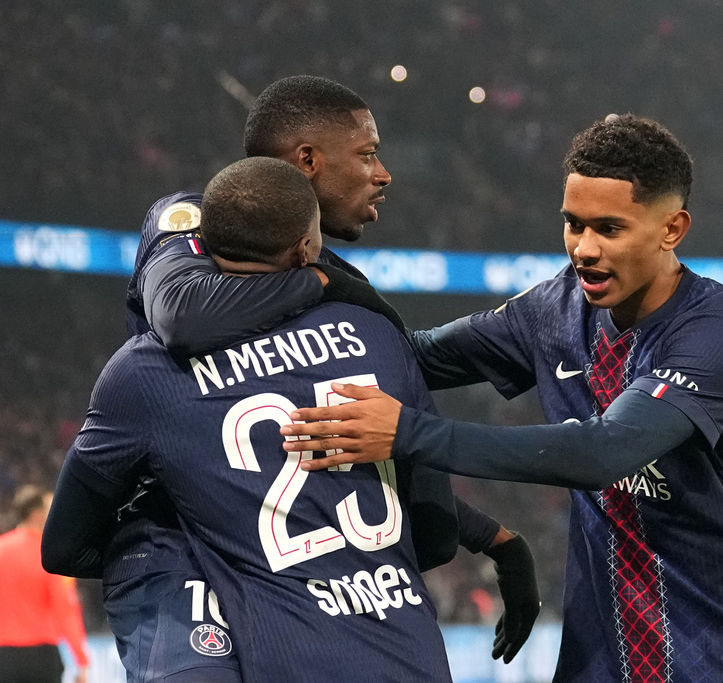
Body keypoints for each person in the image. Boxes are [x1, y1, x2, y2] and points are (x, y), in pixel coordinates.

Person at [279, 114, 723, 682]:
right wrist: (315, 271)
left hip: (721, 655)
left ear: (671, 229)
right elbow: (414, 356)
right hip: (599, 661)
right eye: (574, 224)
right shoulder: (555, 311)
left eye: (610, 228)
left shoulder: (718, 335)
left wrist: (408, 432)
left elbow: (603, 452)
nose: (584, 249)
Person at [46, 157, 456, 681]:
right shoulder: (378, 335)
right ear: (306, 248)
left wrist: (181, 545)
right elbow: (437, 534)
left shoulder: (147, 371)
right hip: (410, 653)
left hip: (284, 651)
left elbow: (64, 547)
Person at [0, 485, 89, 683]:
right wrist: (81, 659)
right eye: (51, 510)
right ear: (36, 514)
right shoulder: (50, 556)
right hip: (42, 658)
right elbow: (65, 611)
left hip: (3, 658)